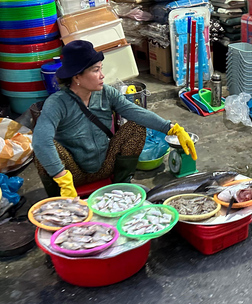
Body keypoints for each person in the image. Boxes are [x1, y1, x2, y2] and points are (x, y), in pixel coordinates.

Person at [33, 40, 196, 198]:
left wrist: (171, 128)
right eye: (96, 70)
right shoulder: (57, 103)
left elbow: (135, 112)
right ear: (77, 77)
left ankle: (122, 184)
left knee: (136, 127)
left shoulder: (107, 93)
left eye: (101, 69)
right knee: (42, 149)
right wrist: (61, 176)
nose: (102, 75)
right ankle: (60, 199)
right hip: (72, 173)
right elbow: (41, 141)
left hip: (106, 165)